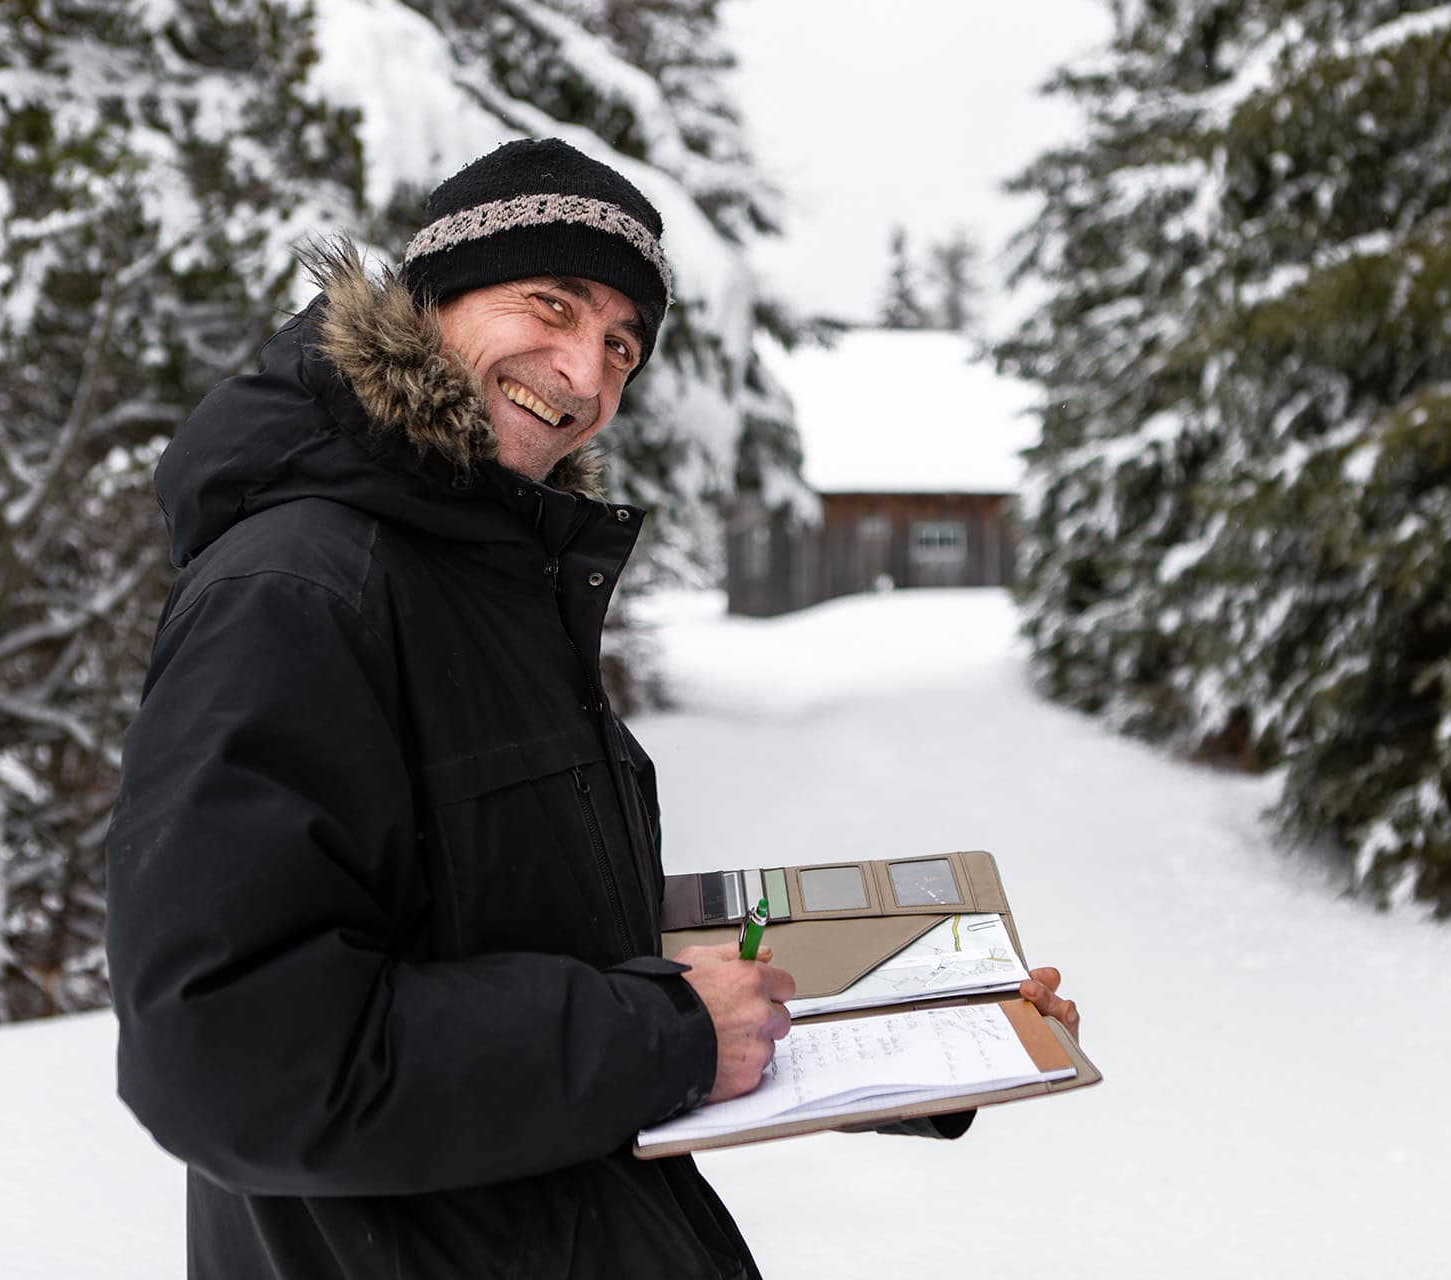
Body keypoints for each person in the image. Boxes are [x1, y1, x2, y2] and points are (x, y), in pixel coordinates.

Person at [106, 137, 1079, 1280]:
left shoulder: (485, 582)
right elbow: (230, 1050)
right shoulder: (303, 586)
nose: (584, 373)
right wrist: (664, 1038)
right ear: (431, 303)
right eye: (549, 303)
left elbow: (532, 947)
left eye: (621, 344)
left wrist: (909, 1023)